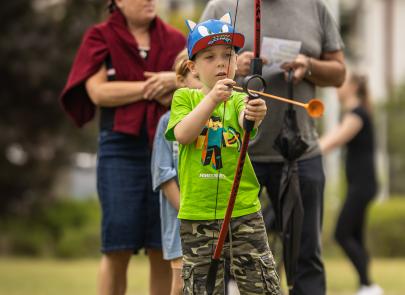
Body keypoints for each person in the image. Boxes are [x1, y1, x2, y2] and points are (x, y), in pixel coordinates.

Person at [201, 1, 346, 294]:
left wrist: (309, 66)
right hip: (236, 153)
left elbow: (339, 72)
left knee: (305, 257)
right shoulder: (220, 6)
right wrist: (231, 64)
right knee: (231, 257)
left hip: (299, 154)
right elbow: (186, 64)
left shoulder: (314, 7)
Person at [59, 0, 186, 294]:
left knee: (162, 246)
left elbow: (193, 85)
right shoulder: (100, 36)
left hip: (168, 148)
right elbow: (99, 92)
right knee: (117, 244)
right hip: (119, 148)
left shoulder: (176, 40)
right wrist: (154, 87)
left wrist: (174, 80)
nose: (150, 0)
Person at [165, 14, 281, 294]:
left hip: (243, 211)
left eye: (228, 55)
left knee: (262, 287)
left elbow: (245, 120)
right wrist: (212, 98)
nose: (220, 63)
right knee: (202, 288)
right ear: (192, 66)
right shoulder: (185, 98)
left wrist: (255, 113)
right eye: (210, 57)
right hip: (198, 215)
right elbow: (183, 133)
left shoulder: (240, 98)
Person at [319, 72, 383, 295]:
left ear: (353, 86)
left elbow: (334, 140)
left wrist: (308, 152)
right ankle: (366, 285)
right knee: (355, 235)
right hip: (361, 184)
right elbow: (330, 136)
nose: (337, 88)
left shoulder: (357, 115)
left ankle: (369, 285)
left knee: (342, 233)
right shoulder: (352, 114)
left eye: (341, 84)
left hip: (363, 185)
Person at [151, 49, 202, 295]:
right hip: (180, 219)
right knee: (182, 282)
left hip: (212, 219)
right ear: (181, 81)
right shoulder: (167, 122)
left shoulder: (223, 119)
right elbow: (163, 173)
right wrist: (186, 211)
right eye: (197, 79)